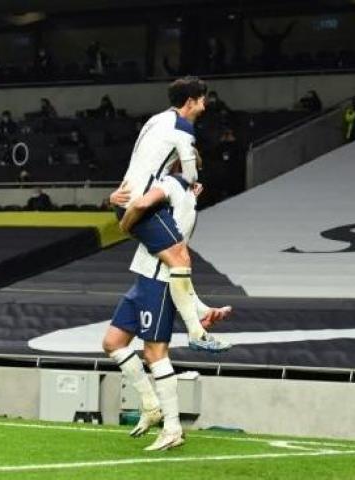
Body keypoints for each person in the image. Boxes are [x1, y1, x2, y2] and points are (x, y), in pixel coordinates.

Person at [104, 170, 231, 452]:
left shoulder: (171, 185)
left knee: (155, 353)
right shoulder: (182, 193)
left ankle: (172, 427)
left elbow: (138, 207)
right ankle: (151, 406)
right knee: (113, 343)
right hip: (144, 277)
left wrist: (120, 216)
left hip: (158, 283)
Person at [114, 75, 229, 354]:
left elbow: (141, 161)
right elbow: (190, 175)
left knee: (178, 260)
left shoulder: (156, 120)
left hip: (130, 195)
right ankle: (196, 331)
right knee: (179, 258)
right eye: (202, 100)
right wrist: (125, 224)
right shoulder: (182, 129)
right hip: (141, 203)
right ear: (190, 101)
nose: (204, 106)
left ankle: (199, 315)